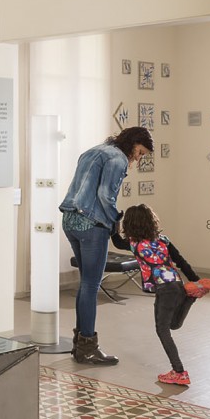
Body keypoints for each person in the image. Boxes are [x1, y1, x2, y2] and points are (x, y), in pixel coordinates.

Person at [59, 126, 153, 365]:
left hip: (69, 220)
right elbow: (105, 196)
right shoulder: (118, 158)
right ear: (133, 143)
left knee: (86, 283)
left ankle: (80, 345)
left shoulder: (94, 151)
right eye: (140, 152)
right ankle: (88, 347)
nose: (138, 158)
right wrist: (116, 220)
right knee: (91, 285)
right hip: (91, 224)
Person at [113, 204, 210, 386]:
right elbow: (181, 261)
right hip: (176, 284)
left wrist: (116, 220)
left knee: (162, 330)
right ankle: (190, 296)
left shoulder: (133, 243)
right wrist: (196, 281)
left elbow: (115, 241)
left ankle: (179, 372)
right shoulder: (164, 241)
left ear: (130, 225)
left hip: (163, 289)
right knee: (173, 325)